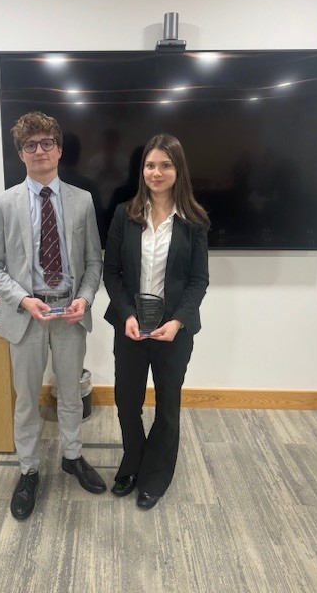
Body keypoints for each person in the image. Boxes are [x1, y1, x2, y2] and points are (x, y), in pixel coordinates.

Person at [0, 111, 105, 521]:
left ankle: (72, 456)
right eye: (30, 145)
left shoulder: (82, 200)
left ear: (59, 149)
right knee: (27, 400)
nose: (40, 151)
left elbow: (92, 262)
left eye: (46, 143)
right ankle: (29, 470)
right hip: (26, 315)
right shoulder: (3, 203)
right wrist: (21, 299)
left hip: (69, 312)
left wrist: (84, 298)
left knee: (71, 394)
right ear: (21, 153)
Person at [103, 133, 210, 510]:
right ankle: (132, 463)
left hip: (173, 331)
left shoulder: (194, 221)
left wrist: (179, 321)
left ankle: (155, 475)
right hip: (130, 326)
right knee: (126, 402)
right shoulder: (124, 213)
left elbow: (199, 280)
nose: (157, 172)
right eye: (150, 165)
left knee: (167, 406)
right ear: (142, 170)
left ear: (178, 170)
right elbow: (112, 273)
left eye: (165, 165)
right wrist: (127, 314)